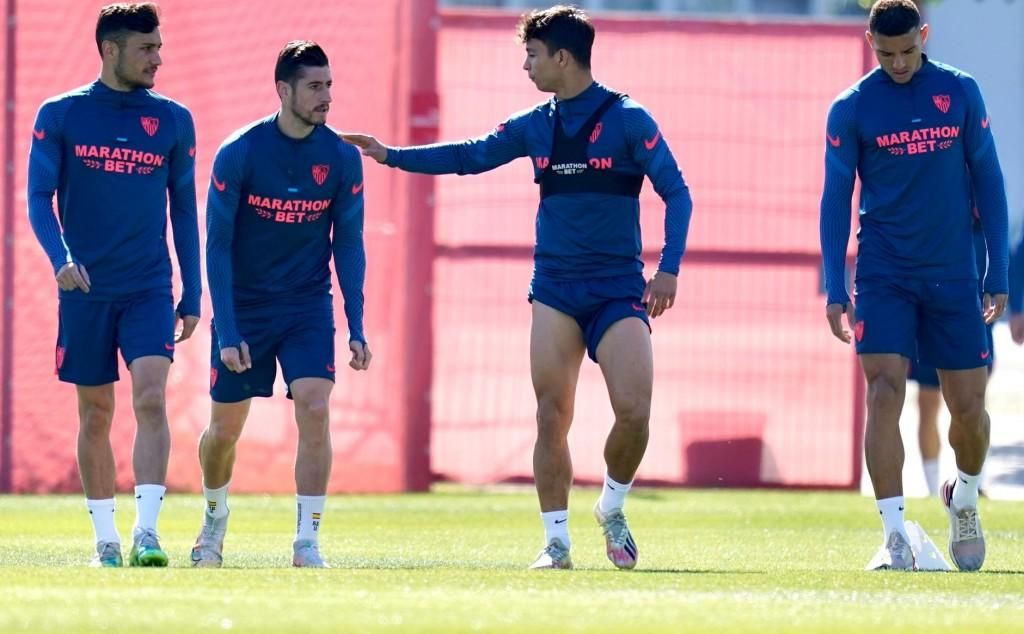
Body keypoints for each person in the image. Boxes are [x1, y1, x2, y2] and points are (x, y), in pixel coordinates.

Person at [343, 5, 692, 571]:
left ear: (562, 56)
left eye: (532, 55)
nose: (526, 67)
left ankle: (611, 505)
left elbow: (677, 193)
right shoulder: (534, 123)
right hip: (555, 289)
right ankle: (555, 543)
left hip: (618, 289)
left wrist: (669, 268)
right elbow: (469, 156)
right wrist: (389, 155)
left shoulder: (630, 119)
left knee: (634, 410)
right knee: (551, 414)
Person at [820, 0, 1008, 572]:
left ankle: (964, 497)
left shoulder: (961, 91)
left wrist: (995, 272)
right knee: (884, 394)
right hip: (884, 272)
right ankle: (895, 534)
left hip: (953, 273)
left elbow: (991, 183)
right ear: (870, 41)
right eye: (886, 53)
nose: (898, 63)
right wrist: (835, 284)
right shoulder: (851, 107)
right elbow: (835, 199)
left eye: (907, 51)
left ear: (923, 36)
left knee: (969, 409)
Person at [26, 2, 200, 568]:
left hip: (148, 286)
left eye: (159, 46)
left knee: (151, 397)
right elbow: (37, 197)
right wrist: (61, 259)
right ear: (110, 49)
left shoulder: (173, 118)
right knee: (95, 414)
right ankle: (105, 541)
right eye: (146, 48)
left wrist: (192, 290)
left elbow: (183, 211)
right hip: (84, 289)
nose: (158, 58)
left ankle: (147, 534)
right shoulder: (61, 114)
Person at [191, 40, 370, 569]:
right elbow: (216, 245)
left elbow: (350, 243)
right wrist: (226, 330)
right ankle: (214, 520)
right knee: (224, 431)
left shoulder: (340, 157)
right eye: (315, 86)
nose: (326, 96)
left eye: (330, 85)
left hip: (306, 306)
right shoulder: (240, 151)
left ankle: (307, 541)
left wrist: (356, 324)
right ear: (283, 90)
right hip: (243, 308)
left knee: (315, 407)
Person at [908, 222, 992, 498]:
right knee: (928, 402)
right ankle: (934, 489)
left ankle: (971, 485)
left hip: (972, 323)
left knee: (973, 406)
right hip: (930, 317)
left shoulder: (985, 229)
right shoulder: (930, 216)